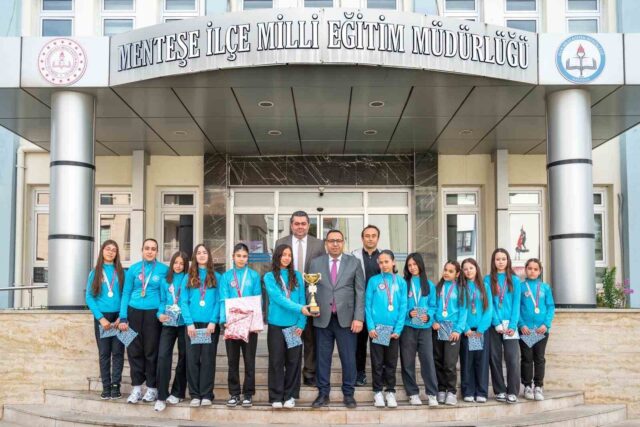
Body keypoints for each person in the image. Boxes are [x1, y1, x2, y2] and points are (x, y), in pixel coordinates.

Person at [308, 229, 365, 409]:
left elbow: (360, 292)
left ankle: (348, 394)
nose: (335, 244)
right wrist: (311, 306)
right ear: (326, 243)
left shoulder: (354, 262)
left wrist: (358, 318)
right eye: (331, 240)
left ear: (343, 242)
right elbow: (310, 288)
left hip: (347, 320)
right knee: (322, 359)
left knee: (348, 359)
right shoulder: (316, 263)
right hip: (322, 318)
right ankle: (323, 393)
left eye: (338, 240)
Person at [275, 210, 325, 387]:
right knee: (292, 333)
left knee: (310, 336)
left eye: (303, 223)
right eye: (296, 223)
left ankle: (309, 372)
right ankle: (291, 370)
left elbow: (322, 269)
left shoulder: (319, 244)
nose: (300, 227)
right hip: (289, 295)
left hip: (311, 294)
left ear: (308, 225)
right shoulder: (281, 242)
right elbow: (275, 268)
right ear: (291, 225)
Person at [118, 238, 169, 404]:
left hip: (153, 315)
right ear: (142, 250)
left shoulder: (163, 270)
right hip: (133, 313)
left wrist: (161, 312)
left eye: (153, 249)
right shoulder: (133, 269)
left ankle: (152, 388)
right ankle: (137, 388)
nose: (150, 251)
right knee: (133, 351)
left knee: (151, 352)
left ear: (157, 252)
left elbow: (165, 295)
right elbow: (126, 293)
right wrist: (123, 316)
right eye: (147, 248)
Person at [264, 244, 315, 409]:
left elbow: (302, 300)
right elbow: (278, 298)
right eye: (283, 254)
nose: (286, 258)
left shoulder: (298, 276)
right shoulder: (269, 277)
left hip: (294, 327)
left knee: (293, 361)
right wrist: (300, 309)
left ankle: (290, 396)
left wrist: (301, 323)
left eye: (289, 255)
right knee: (276, 361)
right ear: (277, 256)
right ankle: (276, 397)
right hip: (276, 326)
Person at [219, 243, 262, 408]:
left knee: (249, 360)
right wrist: (224, 320)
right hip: (232, 323)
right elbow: (223, 299)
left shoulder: (254, 276)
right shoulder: (226, 277)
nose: (241, 259)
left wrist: (257, 322)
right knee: (232, 360)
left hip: (250, 324)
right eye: (238, 256)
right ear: (233, 256)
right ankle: (234, 393)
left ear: (247, 258)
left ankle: (248, 394)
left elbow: (258, 299)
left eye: (244, 256)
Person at [180, 244, 222, 407]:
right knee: (192, 360)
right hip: (193, 325)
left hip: (209, 325)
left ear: (209, 256)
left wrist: (213, 321)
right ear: (195, 257)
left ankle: (207, 394)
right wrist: (189, 323)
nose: (202, 255)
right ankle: (195, 394)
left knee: (208, 360)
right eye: (199, 253)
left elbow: (219, 301)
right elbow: (183, 301)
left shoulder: (217, 277)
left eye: (205, 252)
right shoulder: (188, 277)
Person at [365, 250, 407, 408]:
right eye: (381, 262)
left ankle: (390, 392)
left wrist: (398, 329)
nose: (384, 265)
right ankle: (377, 392)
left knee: (391, 362)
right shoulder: (374, 281)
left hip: (393, 330)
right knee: (377, 363)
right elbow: (367, 305)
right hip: (378, 329)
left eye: (386, 261)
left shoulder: (401, 282)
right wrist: (370, 327)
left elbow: (403, 307)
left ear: (393, 262)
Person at [85, 239, 126, 400]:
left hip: (118, 318)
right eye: (108, 249)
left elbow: (125, 296)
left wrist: (122, 317)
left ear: (117, 254)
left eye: (114, 250)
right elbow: (89, 297)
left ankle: (116, 386)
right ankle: (106, 387)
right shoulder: (95, 272)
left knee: (118, 353)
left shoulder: (122, 272)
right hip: (103, 318)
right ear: (102, 251)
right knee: (104, 353)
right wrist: (100, 318)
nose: (110, 252)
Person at [399, 252, 439, 407]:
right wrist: (409, 313)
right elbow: (400, 304)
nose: (412, 267)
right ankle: (413, 393)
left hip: (425, 328)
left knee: (427, 360)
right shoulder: (403, 284)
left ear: (420, 265)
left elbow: (433, 306)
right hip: (408, 327)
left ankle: (432, 393)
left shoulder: (429, 285)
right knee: (407, 361)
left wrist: (428, 316)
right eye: (409, 265)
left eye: (415, 264)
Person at [154, 251, 189, 412]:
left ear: (185, 265)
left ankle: (178, 392)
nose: (178, 266)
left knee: (184, 357)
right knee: (163, 357)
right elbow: (162, 301)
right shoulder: (165, 281)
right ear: (172, 263)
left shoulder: (188, 279)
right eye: (176, 262)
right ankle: (161, 396)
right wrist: (159, 314)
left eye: (182, 263)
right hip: (168, 322)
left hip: (184, 324)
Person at [486, 248, 522, 404]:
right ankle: (499, 390)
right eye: (497, 259)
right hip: (494, 325)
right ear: (493, 261)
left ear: (508, 261)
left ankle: (513, 391)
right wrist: (496, 323)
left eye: (503, 259)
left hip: (510, 326)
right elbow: (489, 303)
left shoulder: (515, 280)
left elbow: (516, 305)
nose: (500, 262)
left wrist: (513, 325)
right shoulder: (488, 280)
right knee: (494, 358)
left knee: (512, 358)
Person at [518, 258, 555, 402]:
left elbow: (550, 307)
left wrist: (546, 324)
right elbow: (517, 308)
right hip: (526, 330)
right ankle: (527, 385)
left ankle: (538, 386)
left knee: (539, 358)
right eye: (530, 268)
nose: (532, 271)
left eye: (535, 269)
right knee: (527, 358)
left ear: (540, 271)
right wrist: (521, 325)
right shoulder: (521, 287)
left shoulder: (545, 287)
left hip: (541, 330)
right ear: (525, 270)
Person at [432, 260, 467, 406]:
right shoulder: (438, 288)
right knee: (438, 360)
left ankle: (451, 391)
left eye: (451, 271)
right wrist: (433, 321)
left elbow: (463, 312)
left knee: (449, 363)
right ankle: (441, 389)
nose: (446, 273)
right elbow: (432, 306)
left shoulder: (461, 289)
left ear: (457, 274)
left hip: (452, 329)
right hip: (438, 328)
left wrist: (458, 330)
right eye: (445, 270)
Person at [351, 224, 381, 387]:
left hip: (379, 308)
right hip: (360, 306)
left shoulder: (383, 256)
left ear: (378, 238)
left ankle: (380, 375)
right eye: (367, 236)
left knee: (379, 343)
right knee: (359, 343)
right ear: (362, 238)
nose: (370, 239)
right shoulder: (354, 256)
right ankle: (360, 373)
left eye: (373, 236)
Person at [459, 258, 492, 404]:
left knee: (481, 362)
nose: (468, 271)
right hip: (467, 332)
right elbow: (460, 310)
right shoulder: (461, 287)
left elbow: (488, 309)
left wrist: (481, 329)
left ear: (476, 269)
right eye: (465, 269)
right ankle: (468, 391)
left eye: (471, 268)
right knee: (468, 362)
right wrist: (465, 328)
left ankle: (481, 392)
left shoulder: (484, 286)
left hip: (481, 331)